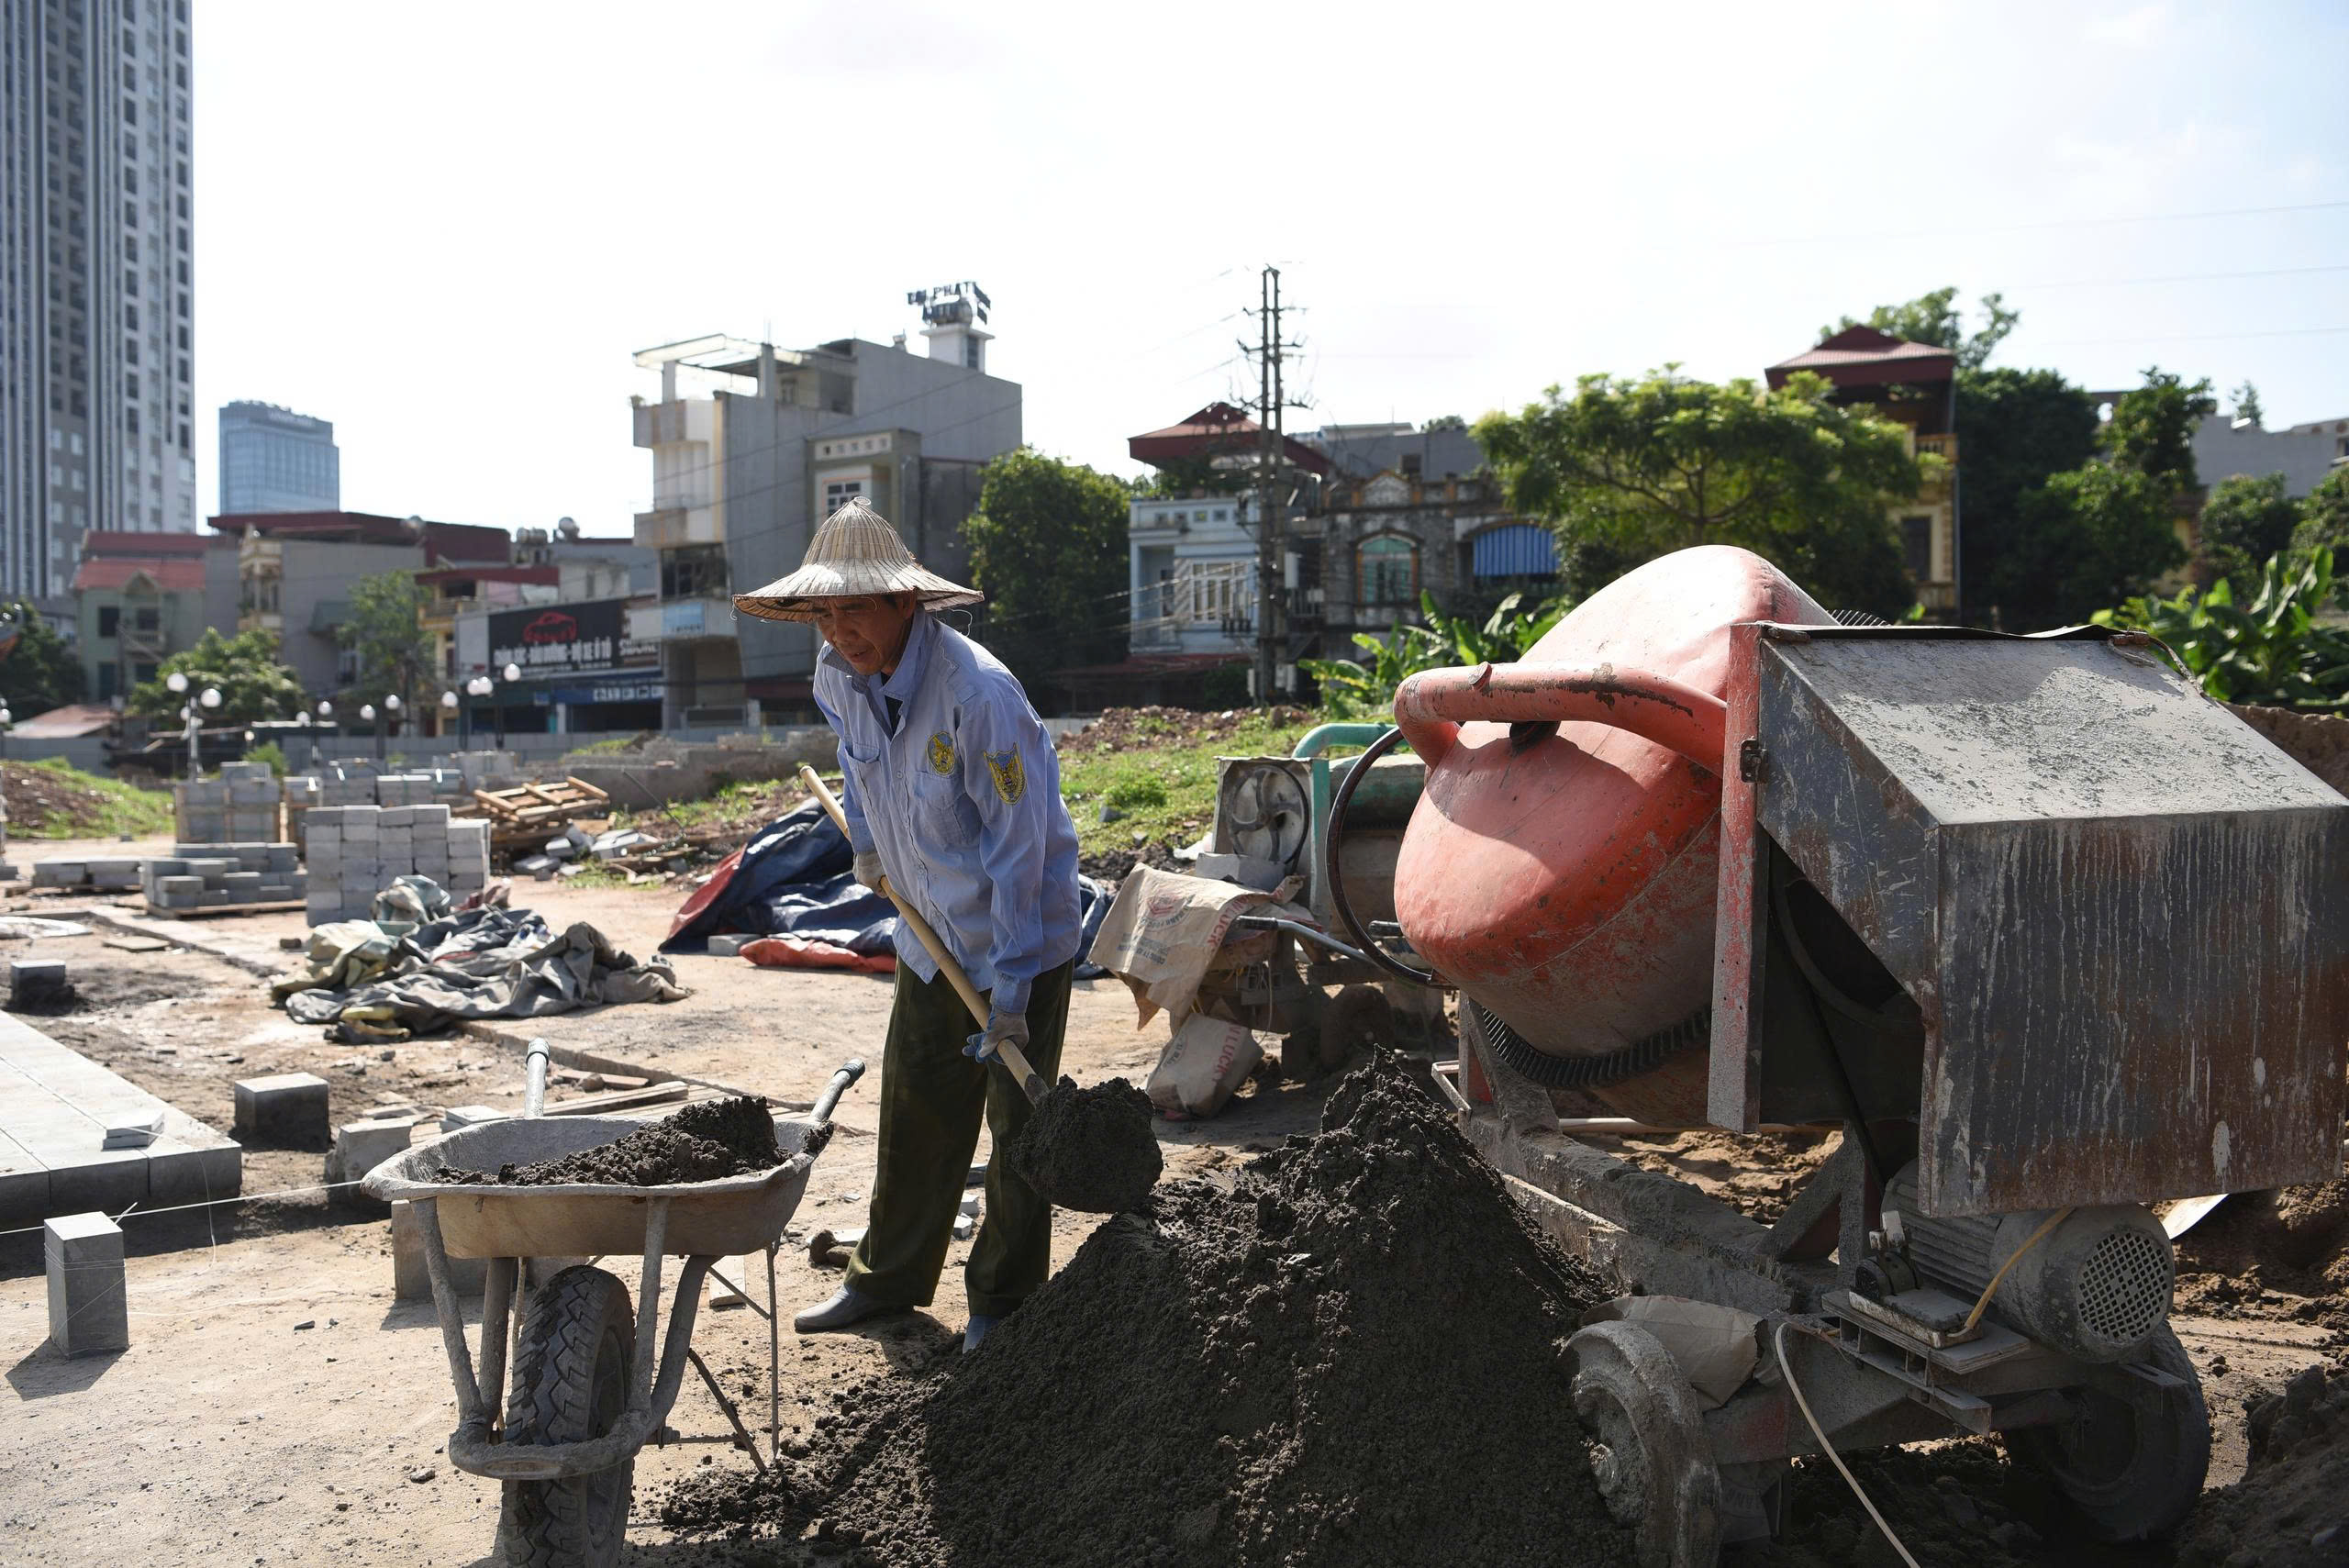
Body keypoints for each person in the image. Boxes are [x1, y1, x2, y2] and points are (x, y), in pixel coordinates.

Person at [733, 497, 1084, 1352]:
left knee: (1018, 1133)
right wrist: (867, 849)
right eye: (823, 610)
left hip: (1019, 942)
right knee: (917, 1111)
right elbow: (858, 768)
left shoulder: (980, 696)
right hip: (927, 937)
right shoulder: (835, 677)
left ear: (905, 603)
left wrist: (1010, 989)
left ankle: (1004, 1302)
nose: (838, 629)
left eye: (855, 608)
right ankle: (886, 1280)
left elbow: (1019, 851)